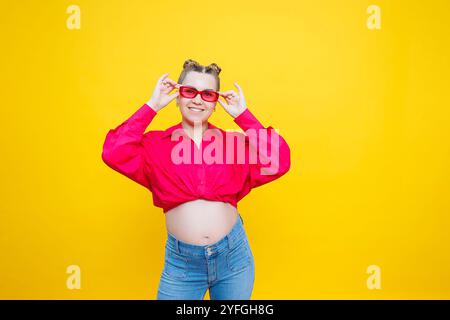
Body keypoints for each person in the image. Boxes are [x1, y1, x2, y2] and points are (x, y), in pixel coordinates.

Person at [102, 59, 291, 299]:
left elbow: (280, 160)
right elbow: (113, 152)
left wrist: (244, 116)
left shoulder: (234, 144)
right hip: (182, 266)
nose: (198, 99)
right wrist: (152, 106)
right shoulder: (154, 145)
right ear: (178, 97)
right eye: (189, 91)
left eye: (208, 94)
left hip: (234, 259)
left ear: (215, 104)